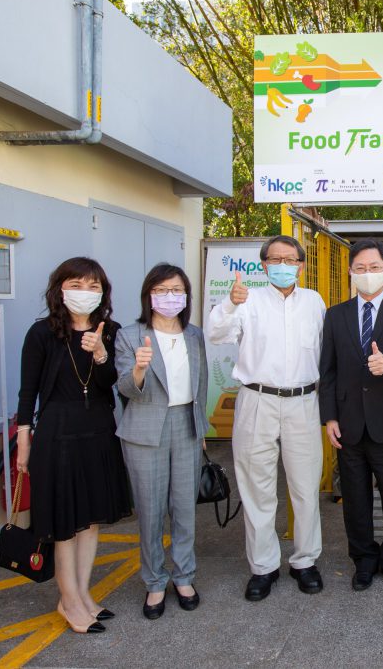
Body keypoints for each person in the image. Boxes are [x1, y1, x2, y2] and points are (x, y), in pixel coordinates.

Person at [15, 257, 132, 634]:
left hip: (98, 428)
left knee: (90, 519)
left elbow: (109, 383)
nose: (85, 293)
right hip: (57, 432)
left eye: (93, 286)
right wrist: (23, 441)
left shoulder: (110, 330)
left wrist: (99, 353)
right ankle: (68, 600)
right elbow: (27, 392)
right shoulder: (42, 333)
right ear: (60, 289)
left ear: (103, 292)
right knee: (65, 523)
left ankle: (83, 594)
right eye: (76, 284)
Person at [207, 235, 326, 601]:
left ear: (301, 265)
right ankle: (263, 567)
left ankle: (305, 561)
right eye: (274, 259)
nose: (282, 265)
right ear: (263, 266)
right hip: (256, 399)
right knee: (256, 487)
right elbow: (215, 333)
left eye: (290, 259)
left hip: (303, 401)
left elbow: (326, 351)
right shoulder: (247, 300)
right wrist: (229, 302)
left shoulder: (314, 302)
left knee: (305, 486)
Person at [319, 239, 383, 592]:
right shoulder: (335, 316)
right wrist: (329, 417)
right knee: (356, 499)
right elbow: (328, 370)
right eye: (360, 268)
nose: (368, 274)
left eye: (374, 267)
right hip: (348, 424)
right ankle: (363, 560)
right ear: (350, 271)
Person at [116, 264, 209, 619]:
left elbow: (199, 385)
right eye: (161, 289)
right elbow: (125, 389)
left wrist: (200, 430)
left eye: (176, 290)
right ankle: (155, 582)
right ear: (149, 295)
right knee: (151, 511)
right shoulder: (130, 334)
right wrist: (139, 368)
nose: (170, 296)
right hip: (145, 429)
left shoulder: (195, 335)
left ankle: (184, 576)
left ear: (185, 295)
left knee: (185, 507)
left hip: (186, 424)